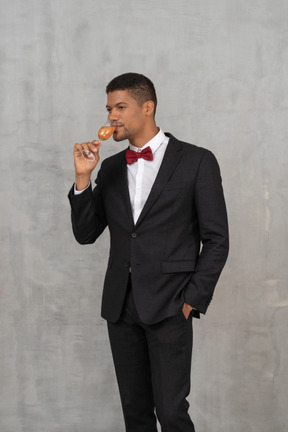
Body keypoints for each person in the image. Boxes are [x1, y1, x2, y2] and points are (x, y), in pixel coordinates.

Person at [68, 72, 229, 432]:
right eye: (109, 108)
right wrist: (82, 180)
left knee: (171, 413)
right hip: (121, 307)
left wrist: (192, 298)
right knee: (136, 415)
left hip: (172, 304)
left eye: (121, 107)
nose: (112, 117)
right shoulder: (109, 168)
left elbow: (217, 239)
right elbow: (86, 234)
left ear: (148, 107)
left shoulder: (197, 161)